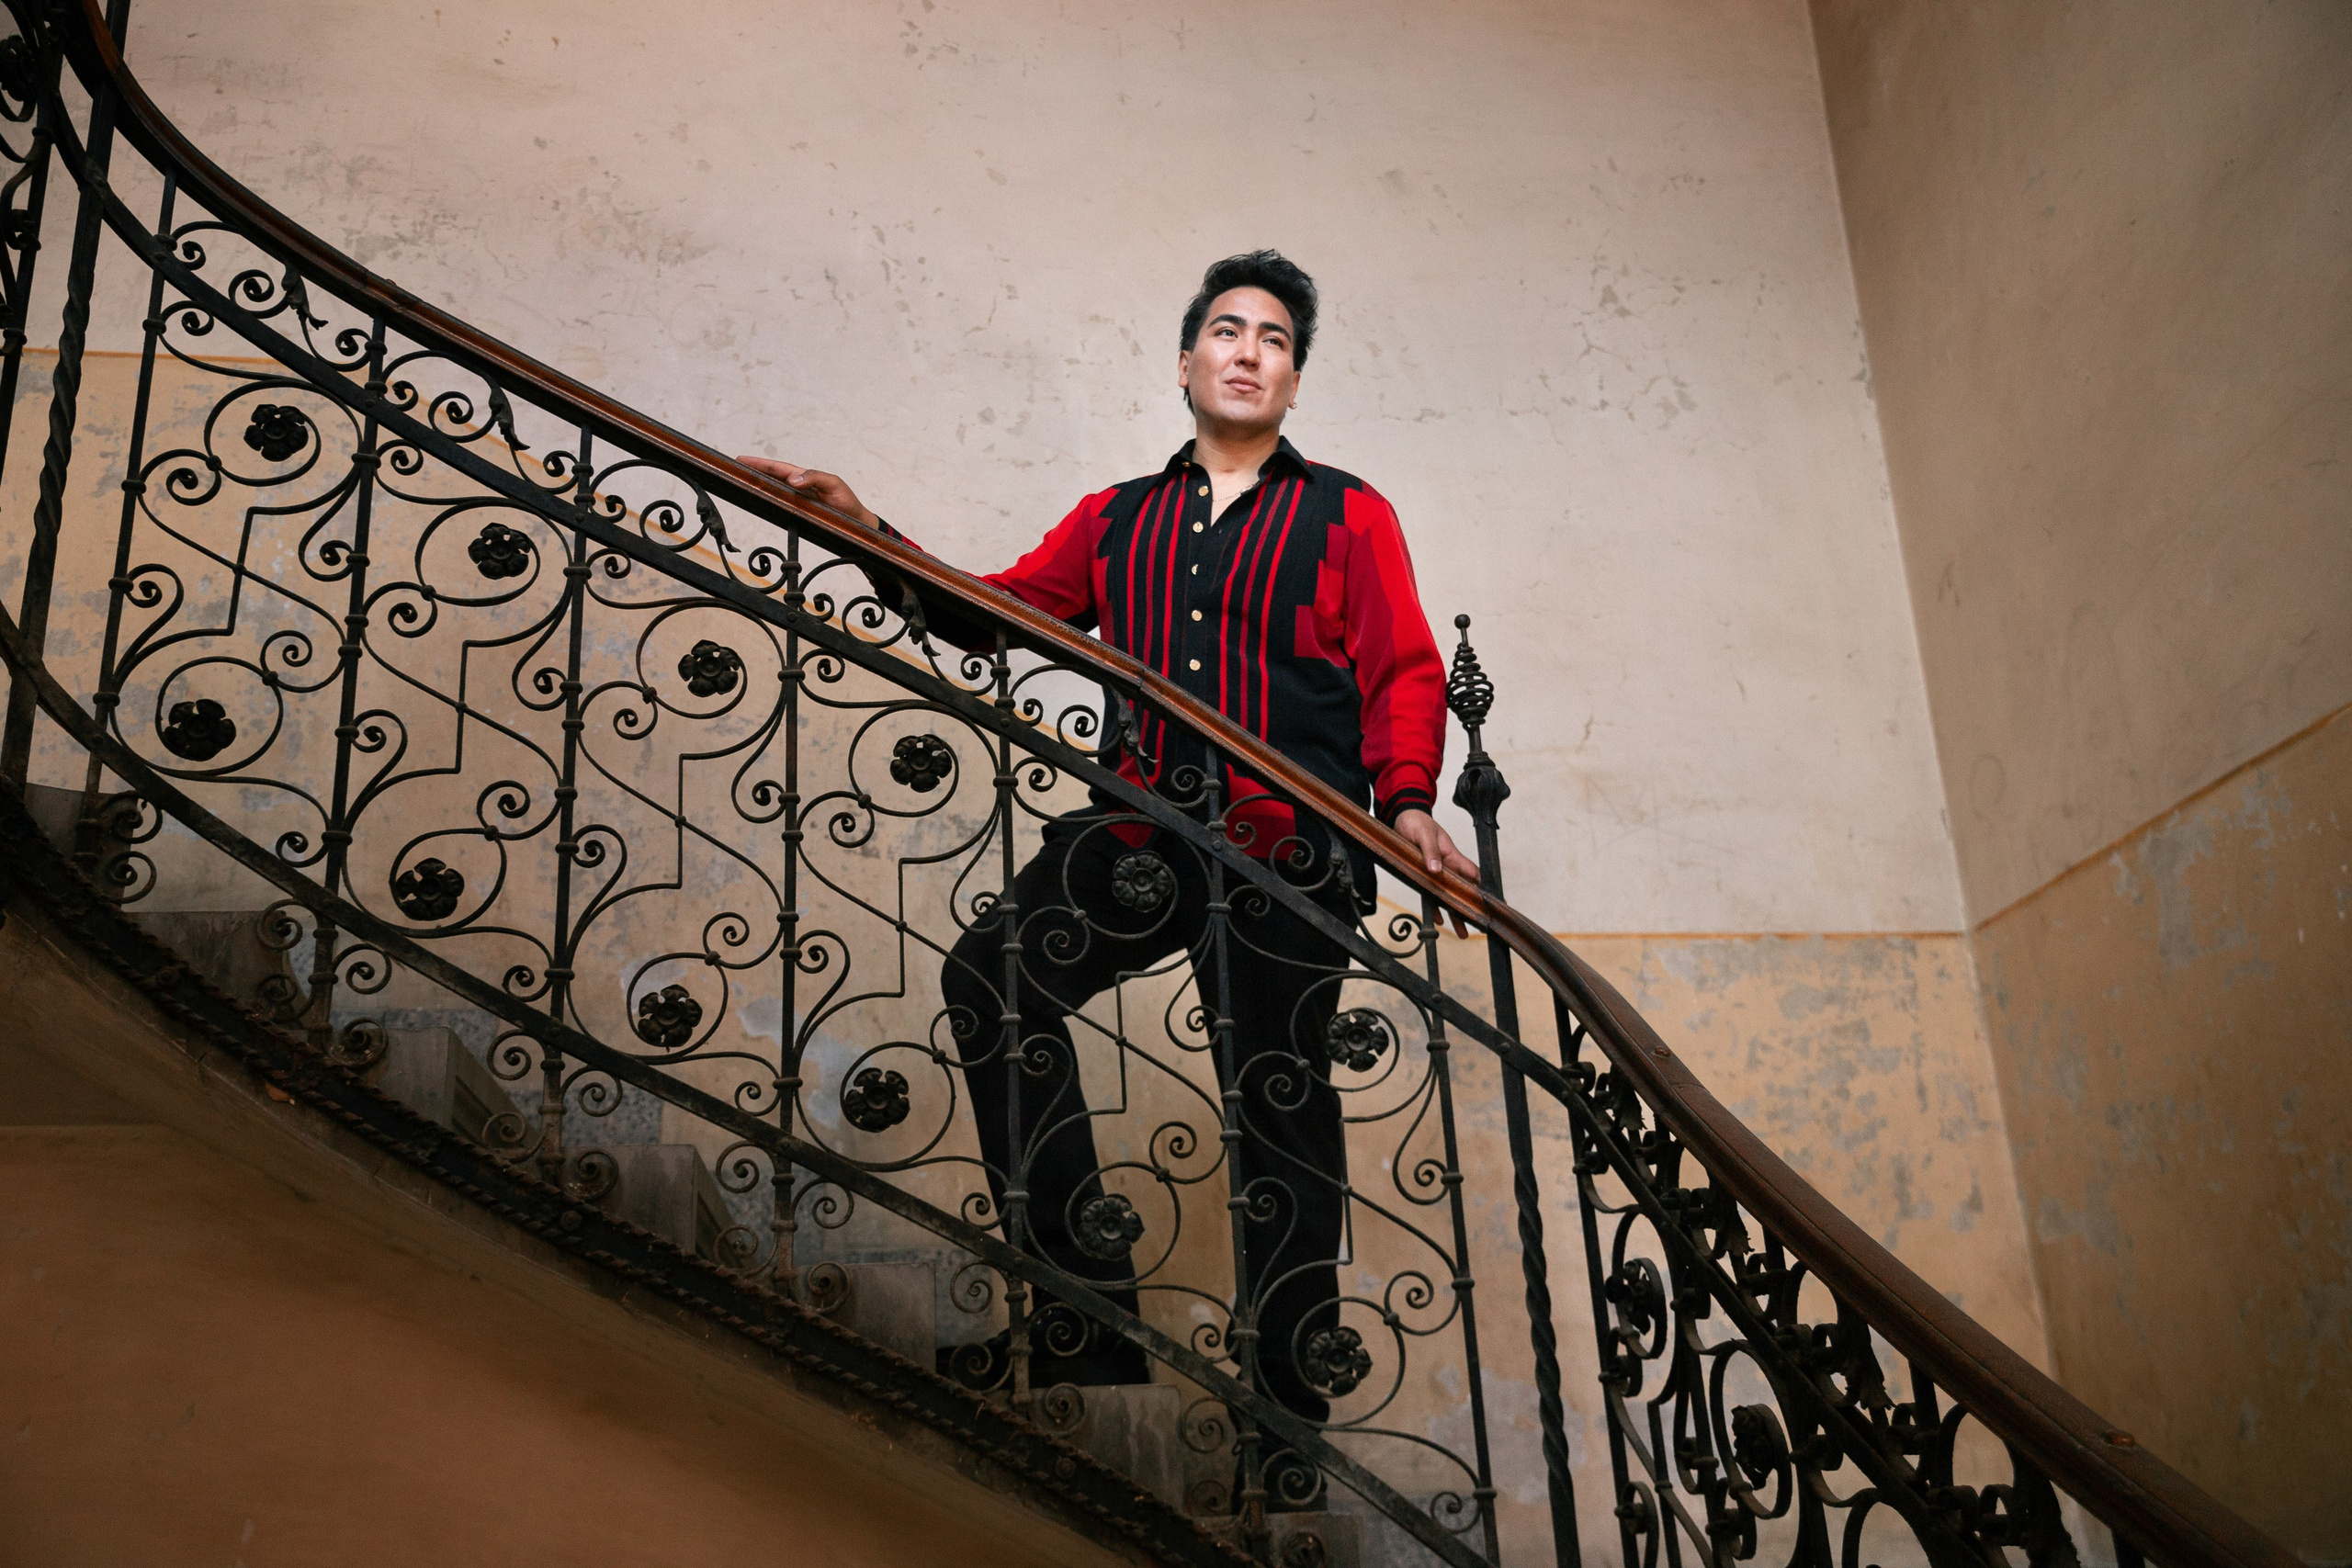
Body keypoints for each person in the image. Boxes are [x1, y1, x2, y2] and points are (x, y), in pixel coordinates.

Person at [738, 252, 1475, 1498]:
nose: (1249, 351)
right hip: (1135, 836)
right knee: (993, 980)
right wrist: (869, 530)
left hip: (1285, 846)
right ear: (1185, 361)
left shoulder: (1350, 513)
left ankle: (1283, 1434)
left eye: (1276, 339)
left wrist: (1407, 804)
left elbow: (1402, 668)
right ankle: (1082, 1316)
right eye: (1227, 332)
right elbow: (1001, 611)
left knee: (1279, 1113)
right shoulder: (1118, 517)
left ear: (1294, 379)